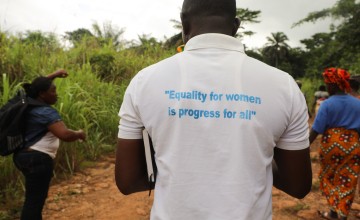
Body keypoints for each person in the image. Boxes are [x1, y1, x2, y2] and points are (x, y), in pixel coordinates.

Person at [115, 0, 312, 219]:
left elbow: (128, 180)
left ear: (184, 25)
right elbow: (298, 185)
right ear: (236, 26)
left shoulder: (144, 82)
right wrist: (256, 160)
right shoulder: (283, 85)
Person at [13, 69, 86, 220]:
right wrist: (79, 133)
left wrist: (54, 75)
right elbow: (65, 135)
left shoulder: (28, 103)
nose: (56, 94)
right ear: (42, 94)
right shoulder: (45, 112)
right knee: (34, 202)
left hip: (23, 156)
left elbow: (34, 87)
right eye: (53, 91)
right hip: (37, 159)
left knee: (33, 199)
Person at [309, 67, 360, 220]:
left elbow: (316, 129)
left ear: (333, 85)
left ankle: (333, 212)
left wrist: (304, 147)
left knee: (329, 177)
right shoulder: (357, 103)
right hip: (352, 146)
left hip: (330, 146)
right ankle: (342, 215)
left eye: (328, 84)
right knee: (347, 179)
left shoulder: (327, 104)